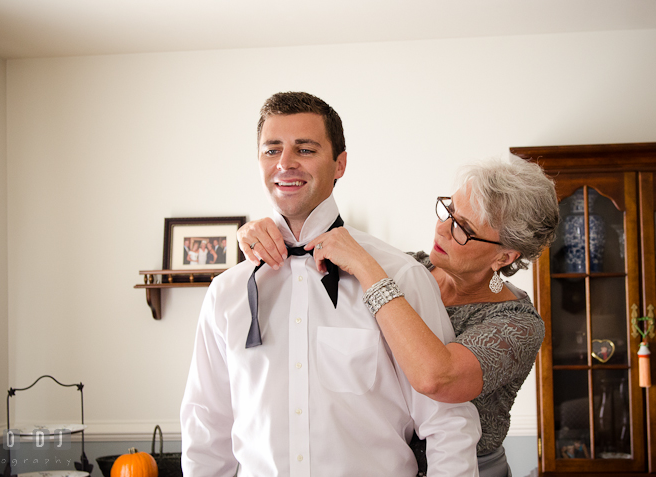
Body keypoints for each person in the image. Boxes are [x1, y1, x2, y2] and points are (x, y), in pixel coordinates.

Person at [180, 91, 481, 477]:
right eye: (272, 150)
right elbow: (207, 427)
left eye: (304, 149)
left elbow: (448, 423)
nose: (285, 163)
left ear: (339, 164)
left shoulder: (400, 276)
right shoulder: (227, 292)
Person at [237, 155, 559, 477]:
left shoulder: (518, 324)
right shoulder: (408, 271)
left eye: (463, 228)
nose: (443, 229)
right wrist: (266, 232)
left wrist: (365, 266)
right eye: (449, 211)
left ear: (505, 255)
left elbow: (436, 378)